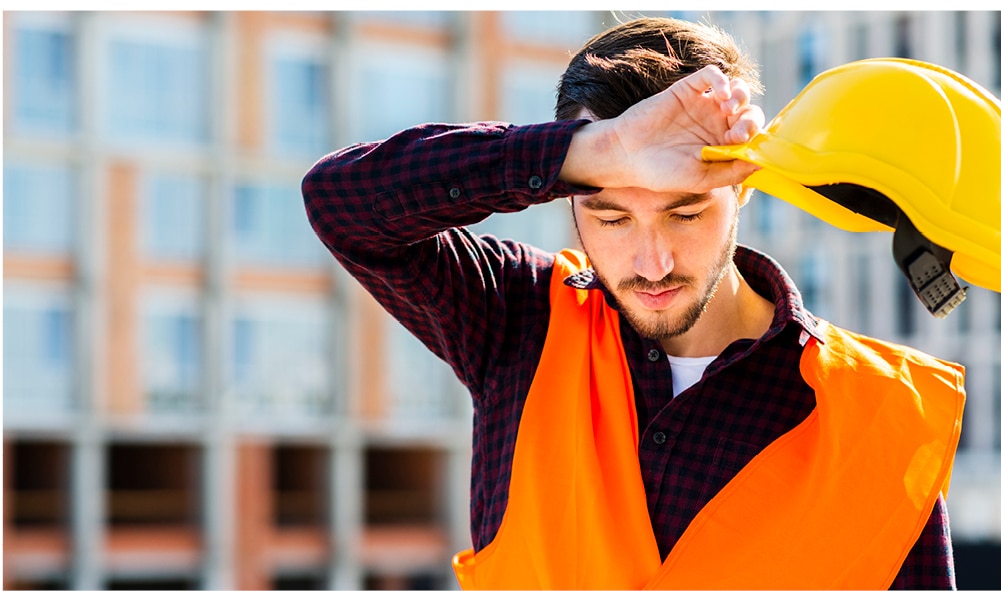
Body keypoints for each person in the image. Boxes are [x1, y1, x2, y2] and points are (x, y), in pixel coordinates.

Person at [301, 16, 964, 590]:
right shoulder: (517, 318)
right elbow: (341, 201)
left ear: (745, 189)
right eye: (612, 215)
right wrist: (604, 150)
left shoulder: (881, 419)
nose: (653, 264)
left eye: (685, 211)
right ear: (568, 196)